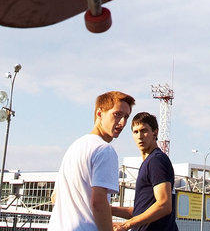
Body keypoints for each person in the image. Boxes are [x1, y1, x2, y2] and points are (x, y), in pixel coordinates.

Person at [49, 91, 135, 231]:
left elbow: (55, 196)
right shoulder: (104, 150)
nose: (123, 122)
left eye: (126, 116)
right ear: (99, 113)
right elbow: (98, 202)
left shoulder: (74, 147)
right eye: (117, 114)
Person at [113, 112, 177, 231]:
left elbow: (164, 205)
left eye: (144, 130)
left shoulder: (156, 160)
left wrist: (127, 224)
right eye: (135, 132)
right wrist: (109, 210)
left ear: (155, 132)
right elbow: (141, 212)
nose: (140, 136)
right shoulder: (149, 162)